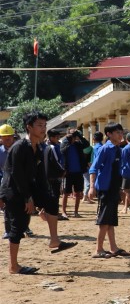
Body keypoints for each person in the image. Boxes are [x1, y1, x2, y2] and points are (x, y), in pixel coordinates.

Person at [1, 113, 76, 274]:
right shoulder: (19, 147)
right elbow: (16, 175)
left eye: (44, 125)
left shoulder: (38, 147)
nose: (43, 128)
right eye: (39, 125)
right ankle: (13, 266)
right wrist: (28, 198)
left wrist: (43, 199)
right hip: (14, 191)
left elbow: (39, 174)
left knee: (50, 201)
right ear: (29, 127)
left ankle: (54, 240)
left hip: (28, 187)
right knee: (18, 227)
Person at [88, 123, 129, 258]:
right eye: (117, 132)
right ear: (109, 134)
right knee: (104, 220)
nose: (120, 135)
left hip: (114, 188)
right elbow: (93, 168)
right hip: (105, 189)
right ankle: (98, 249)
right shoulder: (105, 149)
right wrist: (92, 187)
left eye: (121, 132)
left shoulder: (119, 149)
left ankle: (113, 248)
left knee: (111, 220)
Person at [61, 130, 88, 218]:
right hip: (68, 173)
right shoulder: (65, 144)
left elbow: (86, 144)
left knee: (78, 192)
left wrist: (79, 136)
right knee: (66, 193)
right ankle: (64, 212)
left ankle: (76, 212)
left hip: (78, 172)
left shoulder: (78, 144)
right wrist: (69, 142)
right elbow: (62, 151)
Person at [43, 128, 68, 219]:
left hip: (49, 176)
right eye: (57, 137)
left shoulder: (47, 147)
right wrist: (62, 171)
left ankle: (49, 213)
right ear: (52, 138)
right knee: (55, 196)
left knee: (52, 196)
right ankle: (54, 214)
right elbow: (56, 161)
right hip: (54, 176)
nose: (58, 139)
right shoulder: (52, 147)